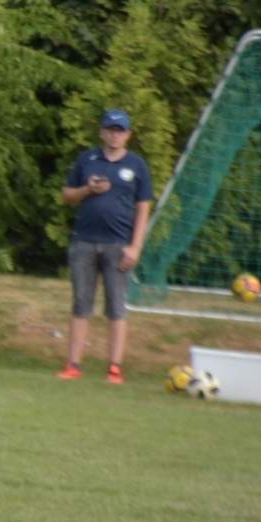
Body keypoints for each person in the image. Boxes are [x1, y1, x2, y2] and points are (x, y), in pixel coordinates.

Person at [57, 108, 154, 384]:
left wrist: (135, 247)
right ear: (102, 132)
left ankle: (114, 368)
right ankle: (73, 364)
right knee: (81, 302)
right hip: (84, 242)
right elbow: (66, 195)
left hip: (118, 245)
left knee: (116, 306)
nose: (114, 135)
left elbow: (143, 207)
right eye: (110, 129)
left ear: (128, 135)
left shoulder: (137, 166)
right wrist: (88, 189)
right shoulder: (87, 159)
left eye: (120, 130)